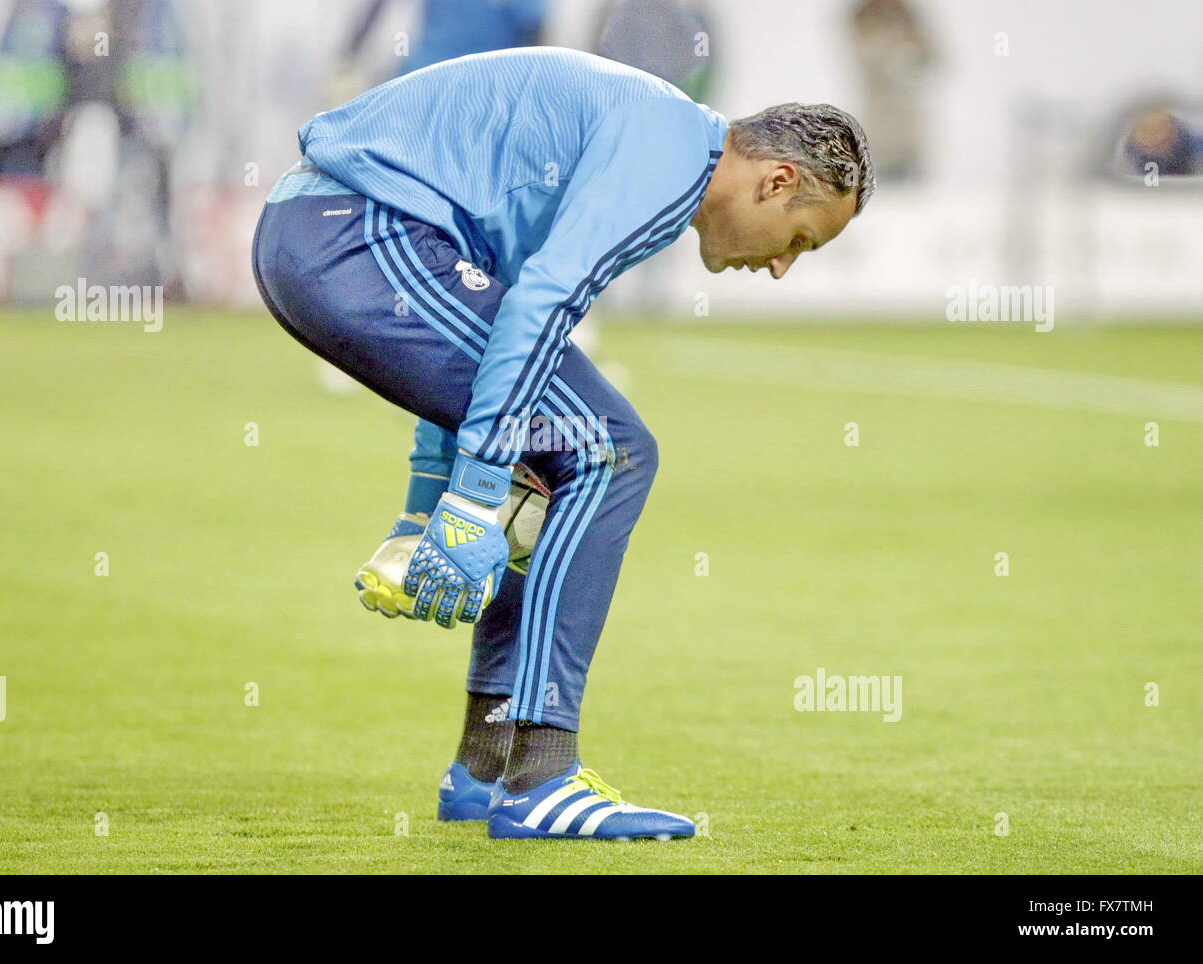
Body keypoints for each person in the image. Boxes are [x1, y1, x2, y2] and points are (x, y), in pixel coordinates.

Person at [252, 46, 872, 841]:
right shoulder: (667, 162)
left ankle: (484, 768)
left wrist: (425, 506)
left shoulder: (659, 137)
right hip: (356, 240)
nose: (783, 266)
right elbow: (537, 308)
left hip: (322, 234)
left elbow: (488, 331)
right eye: (800, 240)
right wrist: (474, 496)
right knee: (612, 452)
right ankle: (541, 775)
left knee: (556, 456)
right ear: (776, 181)